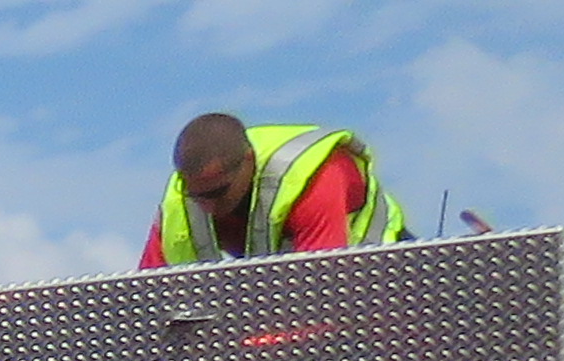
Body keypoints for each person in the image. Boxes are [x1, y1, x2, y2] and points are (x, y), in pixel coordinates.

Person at [144, 113, 404, 267]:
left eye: (218, 193)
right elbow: (146, 302)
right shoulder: (178, 203)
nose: (207, 208)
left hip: (383, 270)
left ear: (248, 161)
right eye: (196, 195)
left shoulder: (312, 177)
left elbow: (321, 295)